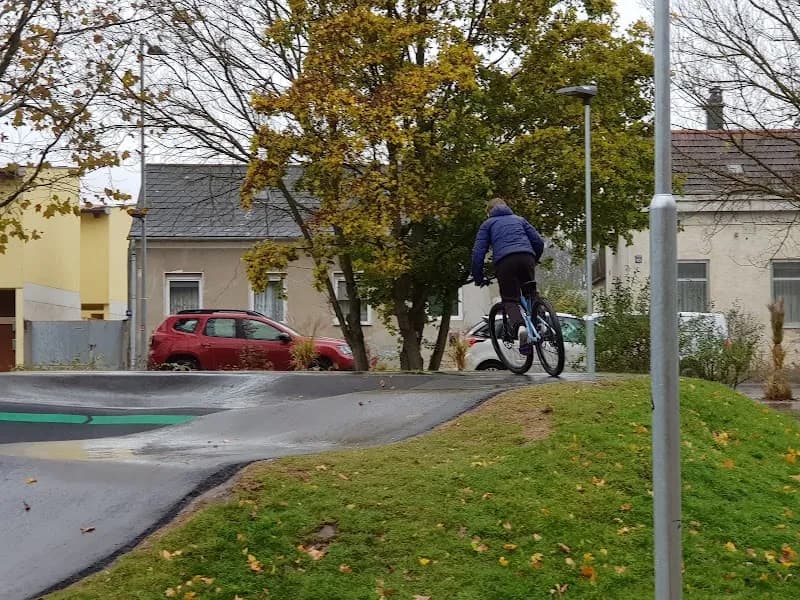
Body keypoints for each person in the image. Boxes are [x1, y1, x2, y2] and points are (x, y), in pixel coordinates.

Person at [471, 198, 544, 351]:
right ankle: (541, 322)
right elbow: (538, 242)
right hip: (527, 257)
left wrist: (478, 277)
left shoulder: (488, 224)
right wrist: (533, 259)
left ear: (489, 212)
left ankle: (520, 329)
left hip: (505, 262)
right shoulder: (520, 220)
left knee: (510, 299)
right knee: (531, 292)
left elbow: (478, 253)